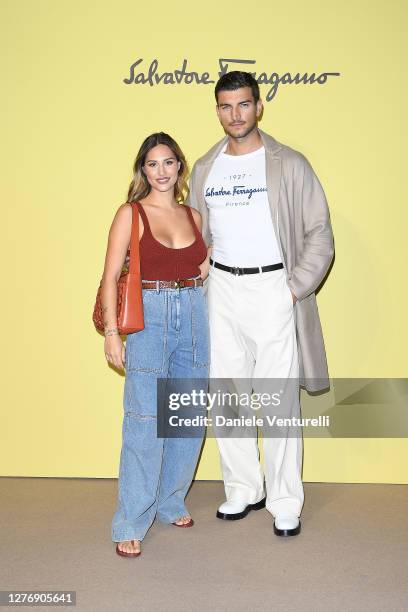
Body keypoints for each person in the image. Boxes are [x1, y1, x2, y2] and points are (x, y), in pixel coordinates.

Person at [187, 71, 334, 537]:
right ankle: (243, 489)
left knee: (278, 400)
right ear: (217, 110)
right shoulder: (206, 167)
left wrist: (292, 289)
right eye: (226, 107)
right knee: (226, 397)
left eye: (244, 105)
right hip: (222, 293)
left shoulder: (289, 163)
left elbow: (320, 236)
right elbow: (195, 237)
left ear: (259, 106)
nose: (236, 115)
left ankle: (285, 499)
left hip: (274, 289)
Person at [100, 132, 211, 557]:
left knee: (185, 418)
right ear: (142, 170)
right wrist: (113, 333)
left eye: (168, 162)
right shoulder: (131, 214)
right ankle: (130, 519)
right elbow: (110, 277)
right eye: (152, 164)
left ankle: (169, 501)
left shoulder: (194, 216)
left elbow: (200, 266)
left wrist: (200, 273)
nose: (161, 171)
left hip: (194, 314)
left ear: (179, 166)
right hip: (149, 316)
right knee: (145, 420)